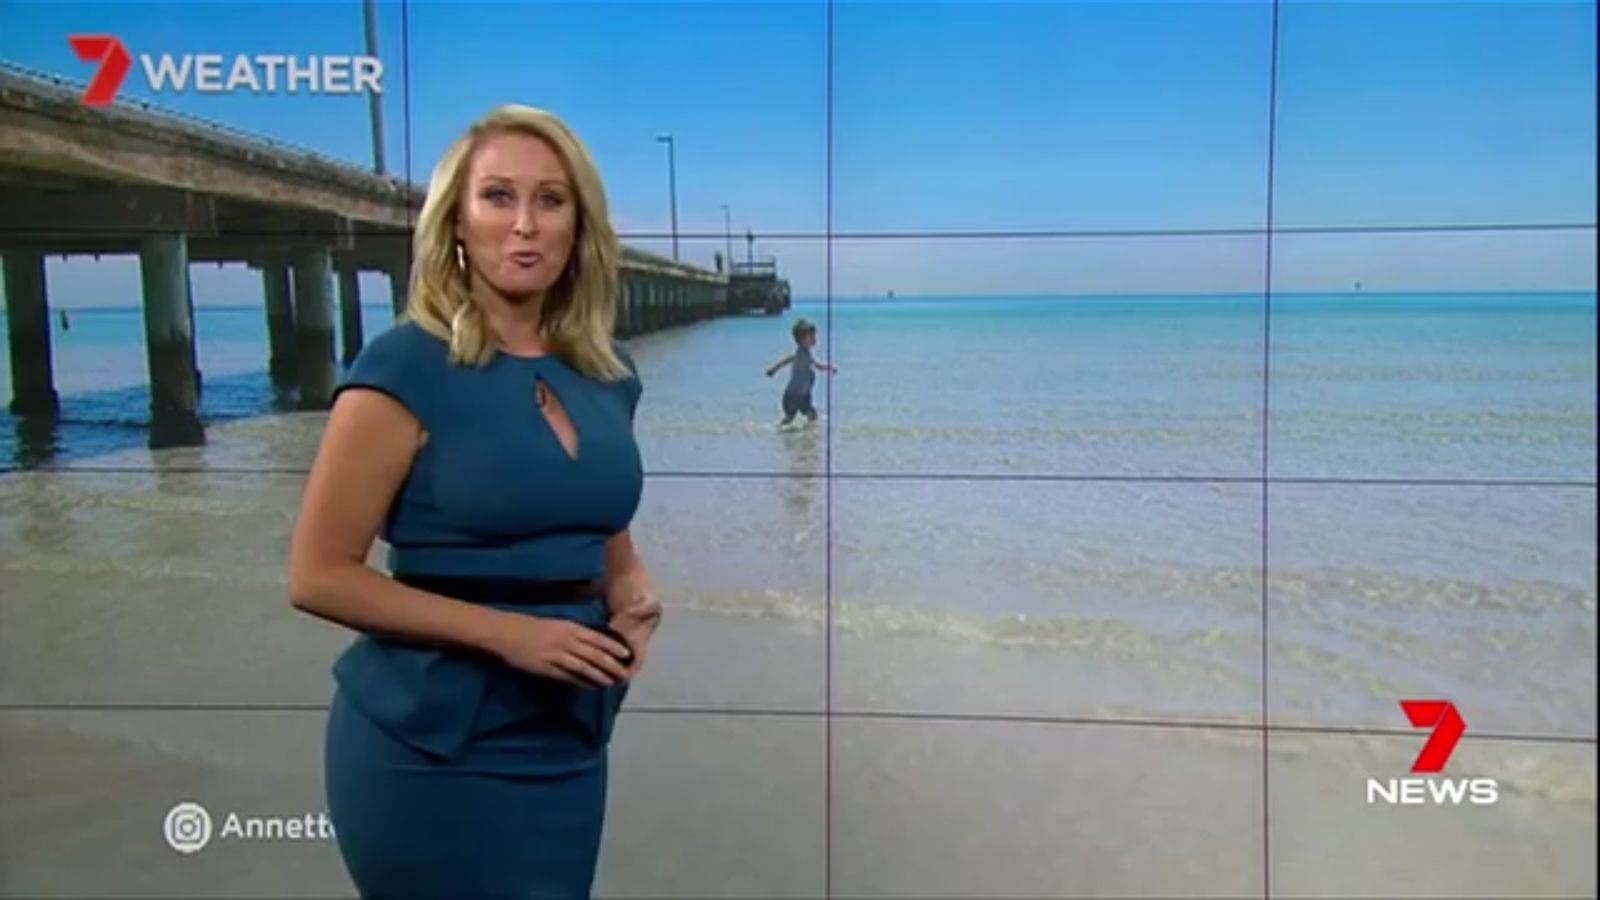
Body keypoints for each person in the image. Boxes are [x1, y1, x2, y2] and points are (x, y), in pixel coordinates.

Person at [287, 103, 662, 899]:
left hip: (568, 735)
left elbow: (601, 527)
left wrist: (631, 594)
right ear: (456, 220)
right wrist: (510, 635)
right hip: (428, 746)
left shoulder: (609, 373)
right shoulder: (402, 369)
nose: (524, 224)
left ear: (578, 226)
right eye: (497, 197)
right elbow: (318, 575)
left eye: (550, 200)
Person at [764, 317, 836, 427]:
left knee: (812, 415)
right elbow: (786, 361)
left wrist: (829, 367)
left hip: (804, 395)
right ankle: (780, 430)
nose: (815, 339)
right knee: (790, 418)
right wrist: (773, 369)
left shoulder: (807, 354)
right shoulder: (798, 354)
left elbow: (817, 365)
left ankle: (808, 433)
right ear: (802, 340)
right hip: (792, 396)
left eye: (814, 336)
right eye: (811, 336)